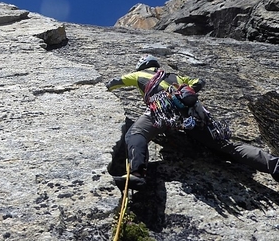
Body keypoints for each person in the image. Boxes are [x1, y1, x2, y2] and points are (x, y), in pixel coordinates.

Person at [106, 54, 279, 189]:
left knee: (136, 134)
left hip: (162, 110)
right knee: (225, 147)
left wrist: (101, 87)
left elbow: (116, 82)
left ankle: (137, 174)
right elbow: (198, 82)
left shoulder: (138, 75)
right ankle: (273, 164)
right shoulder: (175, 76)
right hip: (192, 113)